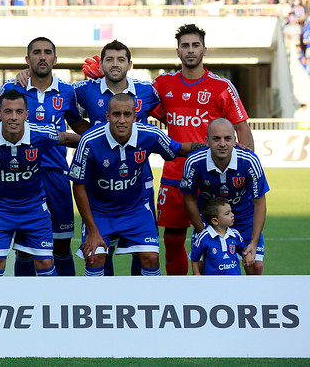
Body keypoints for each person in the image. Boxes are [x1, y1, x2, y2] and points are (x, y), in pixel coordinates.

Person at [152, 23, 254, 276]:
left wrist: (247, 169)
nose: (190, 50)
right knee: (173, 237)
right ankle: (180, 292)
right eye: (185, 45)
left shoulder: (221, 86)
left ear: (204, 50)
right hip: (174, 174)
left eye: (195, 45)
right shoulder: (162, 84)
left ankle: (220, 292)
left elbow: (242, 128)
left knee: (221, 237)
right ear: (177, 51)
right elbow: (133, 101)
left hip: (212, 178)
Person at [69, 93, 204, 276]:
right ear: (108, 117)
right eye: (116, 114)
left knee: (151, 257)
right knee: (94, 257)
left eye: (127, 114)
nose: (122, 120)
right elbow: (78, 186)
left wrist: (216, 145)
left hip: (135, 210)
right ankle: (98, 303)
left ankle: (150, 303)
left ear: (135, 117)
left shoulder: (150, 135)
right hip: (99, 211)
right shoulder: (89, 141)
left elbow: (180, 149)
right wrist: (92, 230)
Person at [0, 89, 80, 277]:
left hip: (34, 208)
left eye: (19, 112)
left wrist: (99, 143)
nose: (13, 117)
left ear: (27, 114)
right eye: (8, 111)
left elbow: (67, 138)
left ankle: (50, 304)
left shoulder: (40, 134)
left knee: (45, 262)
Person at [3, 37, 90, 276]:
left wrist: (104, 136)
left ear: (55, 58)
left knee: (61, 243)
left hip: (56, 174)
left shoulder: (66, 91)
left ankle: (66, 301)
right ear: (27, 59)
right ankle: (25, 302)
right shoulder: (12, 89)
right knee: (25, 247)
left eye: (47, 52)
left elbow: (76, 123)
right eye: (37, 52)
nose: (42, 56)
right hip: (22, 176)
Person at [74, 40, 161, 276]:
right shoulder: (85, 89)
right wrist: (88, 138)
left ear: (130, 64)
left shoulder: (146, 90)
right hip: (99, 181)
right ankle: (106, 296)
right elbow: (66, 110)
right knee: (102, 246)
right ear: (101, 64)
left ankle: (139, 295)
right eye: (109, 60)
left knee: (144, 247)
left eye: (121, 59)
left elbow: (170, 115)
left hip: (138, 180)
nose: (115, 64)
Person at [181, 118, 268, 275]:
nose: (222, 144)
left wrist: (254, 243)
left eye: (227, 138)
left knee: (255, 266)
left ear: (235, 140)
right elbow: (189, 198)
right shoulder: (194, 161)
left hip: (243, 219)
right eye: (216, 139)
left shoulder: (249, 160)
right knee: (201, 266)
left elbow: (260, 202)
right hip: (210, 221)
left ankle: (248, 300)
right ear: (207, 141)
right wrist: (203, 233)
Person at [189, 197, 255, 275]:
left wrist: (247, 256)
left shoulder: (235, 234)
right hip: (213, 282)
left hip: (235, 280)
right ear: (215, 221)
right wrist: (196, 273)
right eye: (227, 213)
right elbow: (194, 257)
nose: (232, 215)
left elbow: (243, 250)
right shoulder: (204, 237)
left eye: (231, 211)